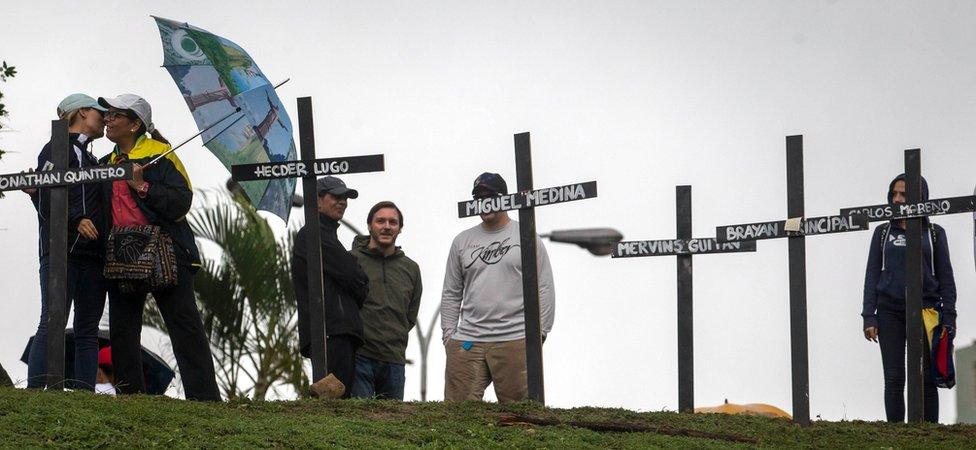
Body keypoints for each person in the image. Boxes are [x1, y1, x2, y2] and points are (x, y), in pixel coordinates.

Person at [97, 94, 220, 401]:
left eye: (115, 115)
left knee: (184, 325)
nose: (108, 120)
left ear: (135, 123)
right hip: (122, 253)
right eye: (107, 114)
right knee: (123, 328)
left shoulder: (161, 155)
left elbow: (181, 203)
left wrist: (142, 186)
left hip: (166, 252)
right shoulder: (103, 163)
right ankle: (130, 396)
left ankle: (204, 398)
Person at [440, 172, 555, 402]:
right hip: (468, 340)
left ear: (505, 198)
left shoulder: (526, 236)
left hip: (515, 338)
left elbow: (544, 286)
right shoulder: (462, 241)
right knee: (456, 416)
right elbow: (451, 292)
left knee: (520, 415)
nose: (485, 201)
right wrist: (450, 337)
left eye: (491, 195)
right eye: (479, 196)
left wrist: (539, 334)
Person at [25, 94, 108, 391]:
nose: (106, 117)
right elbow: (47, 195)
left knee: (88, 329)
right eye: (101, 111)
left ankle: (85, 393)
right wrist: (76, 220)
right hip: (61, 250)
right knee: (52, 319)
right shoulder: (55, 147)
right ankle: (34, 391)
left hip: (93, 253)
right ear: (83, 112)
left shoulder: (96, 159)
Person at [862, 174, 957, 423]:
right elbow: (872, 275)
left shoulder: (935, 233)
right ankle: (896, 432)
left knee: (927, 377)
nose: (897, 199)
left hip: (926, 309)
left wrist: (949, 317)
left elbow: (946, 277)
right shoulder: (883, 233)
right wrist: (868, 316)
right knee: (894, 377)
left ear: (919, 197)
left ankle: (929, 433)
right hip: (889, 311)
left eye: (903, 194)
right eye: (894, 194)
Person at [292, 176, 370, 398]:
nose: (342, 202)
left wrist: (356, 275)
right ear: (317, 200)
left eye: (345, 197)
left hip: (339, 330)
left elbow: (353, 275)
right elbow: (352, 273)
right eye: (336, 196)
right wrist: (357, 275)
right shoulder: (313, 234)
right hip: (329, 330)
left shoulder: (326, 235)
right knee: (332, 399)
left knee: (338, 398)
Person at [350, 201, 422, 400]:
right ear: (369, 225)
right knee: (361, 422)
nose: (387, 226)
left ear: (400, 228)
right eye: (380, 221)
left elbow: (410, 315)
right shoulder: (351, 260)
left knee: (392, 424)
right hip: (359, 356)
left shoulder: (411, 269)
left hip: (394, 359)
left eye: (393, 222)